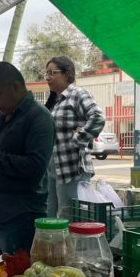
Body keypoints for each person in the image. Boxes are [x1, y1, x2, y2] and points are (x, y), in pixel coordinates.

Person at [0, 62, 55, 256]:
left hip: (20, 217)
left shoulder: (39, 117)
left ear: (15, 86)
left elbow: (35, 167)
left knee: (14, 273)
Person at [44, 56, 105, 221]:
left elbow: (98, 117)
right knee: (50, 214)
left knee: (69, 216)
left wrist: (78, 139)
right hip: (53, 168)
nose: (48, 77)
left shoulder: (78, 94)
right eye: (46, 73)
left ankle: (71, 240)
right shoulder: (55, 101)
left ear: (67, 74)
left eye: (52, 73)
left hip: (72, 168)